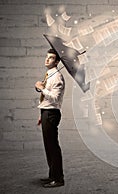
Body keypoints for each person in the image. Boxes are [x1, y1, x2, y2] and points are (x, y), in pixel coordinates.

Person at [35, 48, 65, 188]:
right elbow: (48, 99)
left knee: (53, 147)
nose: (47, 59)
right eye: (47, 57)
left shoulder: (57, 77)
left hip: (52, 114)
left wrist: (41, 88)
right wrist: (41, 113)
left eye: (51, 58)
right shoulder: (50, 75)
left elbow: (54, 98)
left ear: (57, 61)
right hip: (46, 113)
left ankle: (58, 179)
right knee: (48, 147)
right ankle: (52, 175)